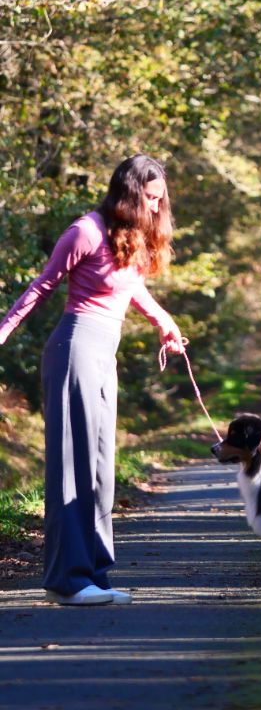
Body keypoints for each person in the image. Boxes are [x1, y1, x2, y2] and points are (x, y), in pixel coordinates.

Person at [0, 154, 184, 606]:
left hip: (105, 354)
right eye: (150, 197)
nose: (157, 207)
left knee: (101, 467)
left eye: (161, 200)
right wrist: (2, 332)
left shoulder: (129, 237)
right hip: (75, 348)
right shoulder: (85, 231)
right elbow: (41, 286)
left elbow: (130, 286)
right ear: (128, 191)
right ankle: (67, 580)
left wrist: (163, 319)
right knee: (73, 465)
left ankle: (95, 575)